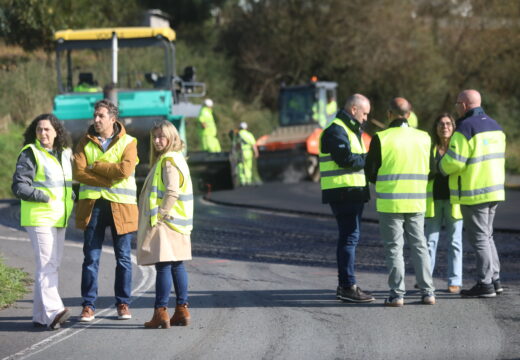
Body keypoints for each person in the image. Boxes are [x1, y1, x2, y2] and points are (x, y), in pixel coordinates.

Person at [365, 97, 435, 307]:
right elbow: (431, 171)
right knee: (420, 245)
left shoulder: (381, 138)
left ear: (389, 114)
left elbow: (370, 172)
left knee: (395, 248)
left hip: (390, 202)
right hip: (416, 201)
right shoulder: (424, 138)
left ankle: (397, 295)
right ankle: (428, 292)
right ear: (409, 113)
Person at [73, 99, 139, 321]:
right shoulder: (83, 141)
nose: (96, 119)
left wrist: (98, 166)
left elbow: (125, 170)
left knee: (123, 258)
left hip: (122, 207)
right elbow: (79, 172)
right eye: (95, 115)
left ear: (113, 119)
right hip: (93, 206)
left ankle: (123, 304)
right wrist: (105, 180)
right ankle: (88, 305)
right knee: (90, 258)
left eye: (101, 116)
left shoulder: (129, 142)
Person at [440, 89, 506, 298]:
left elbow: (455, 162)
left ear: (465, 105)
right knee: (487, 236)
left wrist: (439, 165)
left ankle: (485, 283)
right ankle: (495, 279)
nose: (456, 107)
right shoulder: (496, 126)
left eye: (457, 103)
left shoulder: (465, 128)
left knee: (479, 239)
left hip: (474, 192)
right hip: (494, 190)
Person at [11, 114, 74, 330]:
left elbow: (64, 186)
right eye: (39, 129)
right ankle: (54, 310)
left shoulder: (65, 154)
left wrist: (70, 198)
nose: (43, 133)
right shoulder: (31, 153)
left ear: (57, 132)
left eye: (47, 129)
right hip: (40, 217)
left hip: (59, 217)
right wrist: (44, 197)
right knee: (47, 264)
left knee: (51, 264)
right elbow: (19, 186)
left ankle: (40, 315)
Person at [137, 120, 193, 329]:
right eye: (155, 137)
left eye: (162, 137)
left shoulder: (168, 161)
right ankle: (181, 310)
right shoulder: (177, 158)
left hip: (166, 223)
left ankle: (160, 312)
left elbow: (172, 192)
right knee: (177, 265)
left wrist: (159, 215)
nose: (157, 141)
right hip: (178, 222)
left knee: (163, 267)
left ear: (171, 138)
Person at [319, 93, 374, 303]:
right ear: (354, 110)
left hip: (351, 192)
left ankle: (347, 285)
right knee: (349, 238)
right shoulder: (336, 129)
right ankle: (347, 286)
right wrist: (371, 158)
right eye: (365, 113)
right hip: (344, 192)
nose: (366, 118)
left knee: (350, 237)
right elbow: (347, 160)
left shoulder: (348, 129)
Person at [425, 113, 463, 294]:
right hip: (432, 201)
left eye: (448, 124)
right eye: (441, 124)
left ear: (453, 127)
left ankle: (454, 280)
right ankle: (426, 280)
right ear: (436, 127)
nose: (445, 127)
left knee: (455, 242)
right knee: (429, 242)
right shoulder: (429, 148)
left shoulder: (457, 147)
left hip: (454, 201)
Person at [234, 122, 259, 186]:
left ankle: (242, 181)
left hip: (240, 152)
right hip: (248, 152)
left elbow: (235, 145)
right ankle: (248, 180)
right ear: (246, 128)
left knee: (241, 166)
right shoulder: (249, 134)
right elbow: (253, 145)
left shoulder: (237, 134)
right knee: (248, 166)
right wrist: (256, 152)